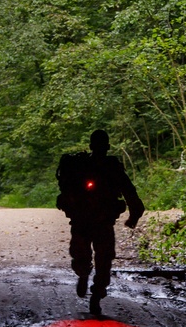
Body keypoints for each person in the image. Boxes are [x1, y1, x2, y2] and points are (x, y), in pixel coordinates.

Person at [55, 129, 144, 315]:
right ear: (106, 146)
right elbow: (130, 192)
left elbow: (129, 192)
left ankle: (92, 288)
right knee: (94, 259)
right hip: (92, 222)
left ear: (91, 146)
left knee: (97, 259)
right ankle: (88, 281)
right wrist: (134, 214)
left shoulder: (104, 168)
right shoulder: (93, 167)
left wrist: (134, 214)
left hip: (92, 223)